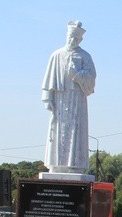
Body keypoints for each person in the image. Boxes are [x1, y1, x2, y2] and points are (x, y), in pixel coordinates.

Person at [42, 20, 96, 173]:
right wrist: (48, 97)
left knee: (76, 130)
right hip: (60, 99)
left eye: (76, 39)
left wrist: (77, 76)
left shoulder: (85, 56)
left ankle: (75, 165)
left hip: (77, 101)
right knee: (57, 130)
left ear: (80, 40)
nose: (72, 41)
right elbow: (48, 80)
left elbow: (91, 81)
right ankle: (56, 165)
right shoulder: (56, 55)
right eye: (70, 37)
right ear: (67, 36)